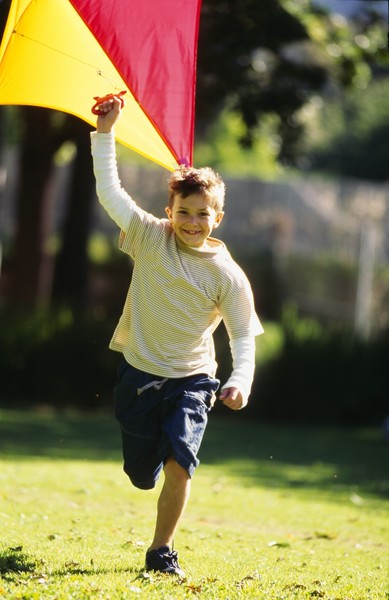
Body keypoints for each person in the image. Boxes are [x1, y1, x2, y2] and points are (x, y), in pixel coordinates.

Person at [90, 96, 263, 577]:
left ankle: (161, 551)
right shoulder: (150, 237)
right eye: (184, 212)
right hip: (139, 375)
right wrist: (105, 132)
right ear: (170, 210)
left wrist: (240, 380)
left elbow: (243, 336)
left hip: (193, 381)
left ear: (218, 219)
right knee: (140, 471)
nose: (192, 222)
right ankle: (142, 466)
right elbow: (110, 192)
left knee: (181, 463)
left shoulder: (228, 276)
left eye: (203, 214)